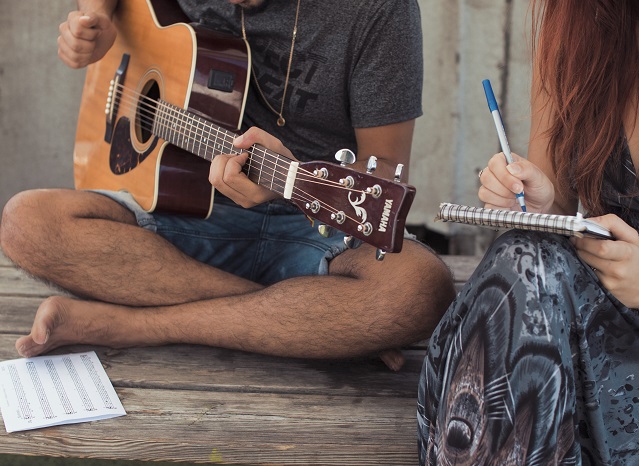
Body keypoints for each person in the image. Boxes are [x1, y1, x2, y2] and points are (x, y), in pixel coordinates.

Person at [0, 0, 456, 372]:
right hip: (188, 209)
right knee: (26, 222)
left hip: (317, 225)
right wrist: (96, 18)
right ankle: (296, 317)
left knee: (418, 287)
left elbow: (387, 172)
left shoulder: (379, 9)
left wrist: (290, 175)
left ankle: (130, 323)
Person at [418, 0, 639, 464]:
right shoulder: (579, 16)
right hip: (606, 307)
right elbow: (558, 201)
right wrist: (537, 198)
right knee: (523, 257)